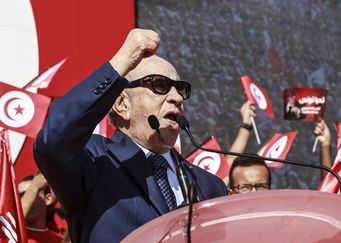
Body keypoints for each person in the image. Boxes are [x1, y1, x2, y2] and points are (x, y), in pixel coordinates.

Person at [33, 28, 227, 243]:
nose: (176, 98)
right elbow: (54, 140)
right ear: (122, 104)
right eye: (160, 85)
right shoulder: (94, 160)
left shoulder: (209, 185)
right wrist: (122, 60)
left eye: (180, 89)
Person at [18, 173, 64, 243]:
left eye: (32, 193)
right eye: (20, 196)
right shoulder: (7, 232)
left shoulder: (60, 241)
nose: (26, 198)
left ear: (48, 199)